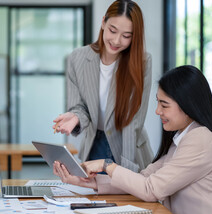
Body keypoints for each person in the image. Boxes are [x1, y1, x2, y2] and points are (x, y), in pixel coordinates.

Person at [53, 65, 212, 214]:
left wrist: (106, 164)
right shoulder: (182, 139)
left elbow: (151, 189)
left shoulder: (201, 140)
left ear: (188, 106)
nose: (157, 111)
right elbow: (143, 178)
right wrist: (88, 182)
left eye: (164, 105)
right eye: (158, 103)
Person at [52, 0, 153, 172]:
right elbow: (79, 106)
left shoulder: (142, 62)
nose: (116, 40)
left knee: (127, 198)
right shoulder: (77, 58)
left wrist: (126, 170)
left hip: (129, 146)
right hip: (94, 144)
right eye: (113, 30)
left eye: (126, 36)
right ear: (103, 22)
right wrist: (76, 118)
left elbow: (133, 121)